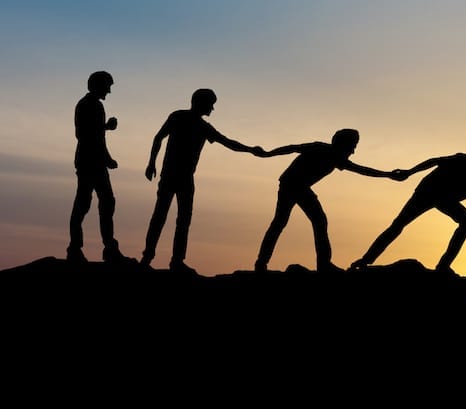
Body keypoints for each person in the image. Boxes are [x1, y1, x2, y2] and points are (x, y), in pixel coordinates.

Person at [349, 147, 466, 273]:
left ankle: (443, 266)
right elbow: (434, 161)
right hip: (427, 191)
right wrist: (409, 172)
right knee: (398, 225)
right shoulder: (464, 160)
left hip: (444, 199)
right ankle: (366, 260)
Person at [140, 88, 267, 274]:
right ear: (201, 102)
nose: (212, 109)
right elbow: (159, 137)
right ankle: (149, 257)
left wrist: (250, 150)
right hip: (172, 176)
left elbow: (228, 143)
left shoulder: (201, 126)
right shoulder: (181, 118)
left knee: (180, 219)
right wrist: (151, 163)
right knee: (162, 217)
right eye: (211, 104)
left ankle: (175, 261)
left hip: (183, 178)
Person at [254, 128, 405, 272]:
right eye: (352, 146)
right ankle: (266, 263)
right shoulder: (320, 148)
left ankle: (321, 264)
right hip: (291, 185)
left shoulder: (337, 159)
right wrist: (267, 154)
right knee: (289, 222)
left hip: (299, 187)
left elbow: (363, 170)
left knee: (305, 222)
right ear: (342, 144)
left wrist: (387, 175)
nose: (353, 151)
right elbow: (292, 148)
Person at [67, 70, 134, 264]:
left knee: (102, 202)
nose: (109, 91)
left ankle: (104, 248)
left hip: (92, 161)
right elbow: (87, 136)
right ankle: (78, 249)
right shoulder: (91, 105)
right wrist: (107, 158)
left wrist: (105, 128)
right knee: (86, 203)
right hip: (91, 162)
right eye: (108, 87)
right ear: (98, 85)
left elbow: (93, 133)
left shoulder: (91, 105)